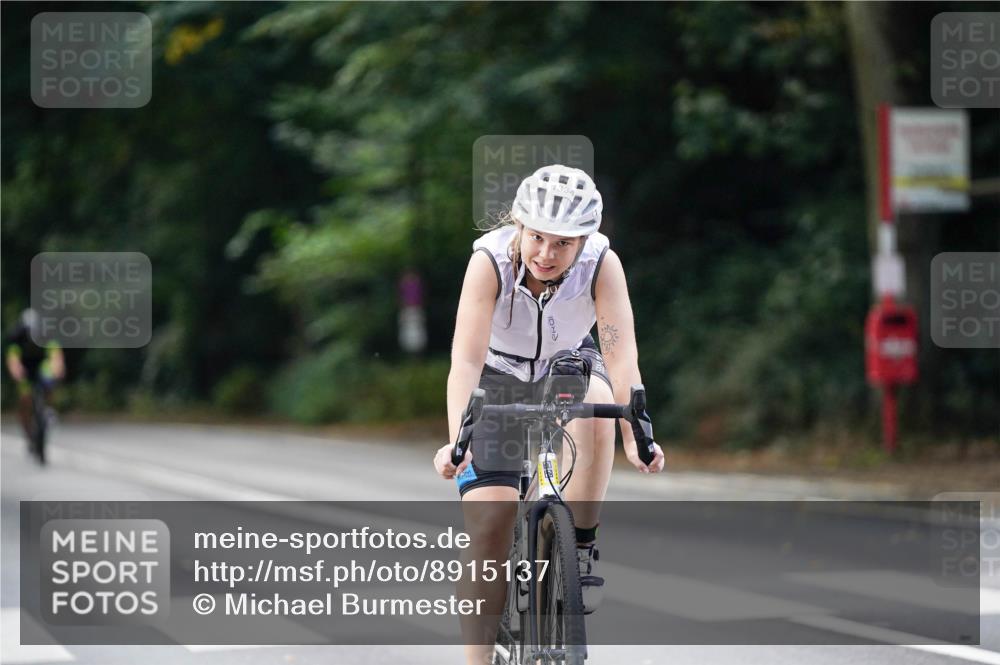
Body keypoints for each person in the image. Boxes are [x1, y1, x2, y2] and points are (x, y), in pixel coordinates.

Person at [433, 164, 665, 664]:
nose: (546, 254)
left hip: (568, 361)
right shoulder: (489, 261)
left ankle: (578, 545)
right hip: (496, 373)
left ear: (584, 240)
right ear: (518, 225)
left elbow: (620, 354)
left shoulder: (602, 263)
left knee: (597, 406)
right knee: (490, 523)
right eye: (537, 237)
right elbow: (466, 361)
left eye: (563, 243)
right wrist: (459, 440)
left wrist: (636, 433)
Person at [5, 309, 65, 448]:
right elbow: (13, 360)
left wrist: (57, 369)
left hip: (41, 364)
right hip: (25, 367)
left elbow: (56, 355)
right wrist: (16, 372)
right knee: (25, 398)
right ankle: (28, 433)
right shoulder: (17, 337)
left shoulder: (46, 334)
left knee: (49, 380)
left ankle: (48, 409)